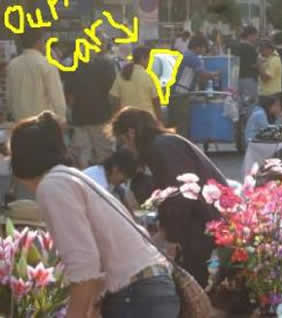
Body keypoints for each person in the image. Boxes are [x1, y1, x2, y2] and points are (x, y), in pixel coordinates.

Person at [10, 111, 180, 318]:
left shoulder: (52, 186)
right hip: (148, 289)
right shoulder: (69, 177)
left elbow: (85, 266)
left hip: (137, 296)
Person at [109, 106, 227, 287]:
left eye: (122, 141)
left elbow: (179, 196)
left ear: (131, 134)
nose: (125, 149)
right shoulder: (162, 144)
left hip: (204, 222)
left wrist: (171, 237)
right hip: (203, 218)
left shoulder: (160, 147)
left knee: (194, 282)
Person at [65, 33, 116, 169]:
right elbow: (113, 92)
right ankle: (103, 186)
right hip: (101, 116)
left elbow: (69, 92)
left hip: (79, 117)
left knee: (82, 155)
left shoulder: (75, 62)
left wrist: (72, 110)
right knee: (104, 155)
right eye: (104, 42)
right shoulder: (107, 63)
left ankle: (82, 184)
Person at [6, 29, 66, 122]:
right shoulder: (47, 64)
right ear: (39, 42)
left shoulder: (12, 65)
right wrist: (62, 118)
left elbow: (9, 98)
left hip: (19, 123)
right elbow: (57, 97)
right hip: (43, 123)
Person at [169, 35, 218, 138]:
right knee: (182, 126)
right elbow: (203, 75)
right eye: (205, 47)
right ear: (198, 47)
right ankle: (181, 149)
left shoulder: (186, 55)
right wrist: (215, 75)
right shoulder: (193, 57)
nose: (205, 50)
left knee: (175, 124)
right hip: (181, 95)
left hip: (175, 94)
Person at [109, 46, 162, 122]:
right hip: (146, 120)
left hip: (127, 119)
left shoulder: (122, 74)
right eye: (148, 59)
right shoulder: (148, 77)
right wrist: (159, 121)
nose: (149, 62)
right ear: (143, 58)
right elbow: (156, 101)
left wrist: (118, 115)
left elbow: (113, 98)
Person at [84, 149, 138, 213]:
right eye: (123, 179)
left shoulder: (112, 178)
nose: (125, 182)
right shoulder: (96, 183)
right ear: (115, 169)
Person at [236, 26, 259, 105]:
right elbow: (253, 64)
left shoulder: (237, 45)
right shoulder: (249, 48)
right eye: (256, 35)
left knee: (240, 103)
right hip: (249, 79)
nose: (256, 38)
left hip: (238, 78)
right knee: (250, 104)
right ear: (250, 35)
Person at [258, 40, 282, 108]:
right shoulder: (268, 59)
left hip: (270, 94)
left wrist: (259, 65)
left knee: (270, 116)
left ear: (269, 49)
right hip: (268, 93)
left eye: (262, 50)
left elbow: (265, 78)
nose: (260, 52)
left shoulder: (274, 60)